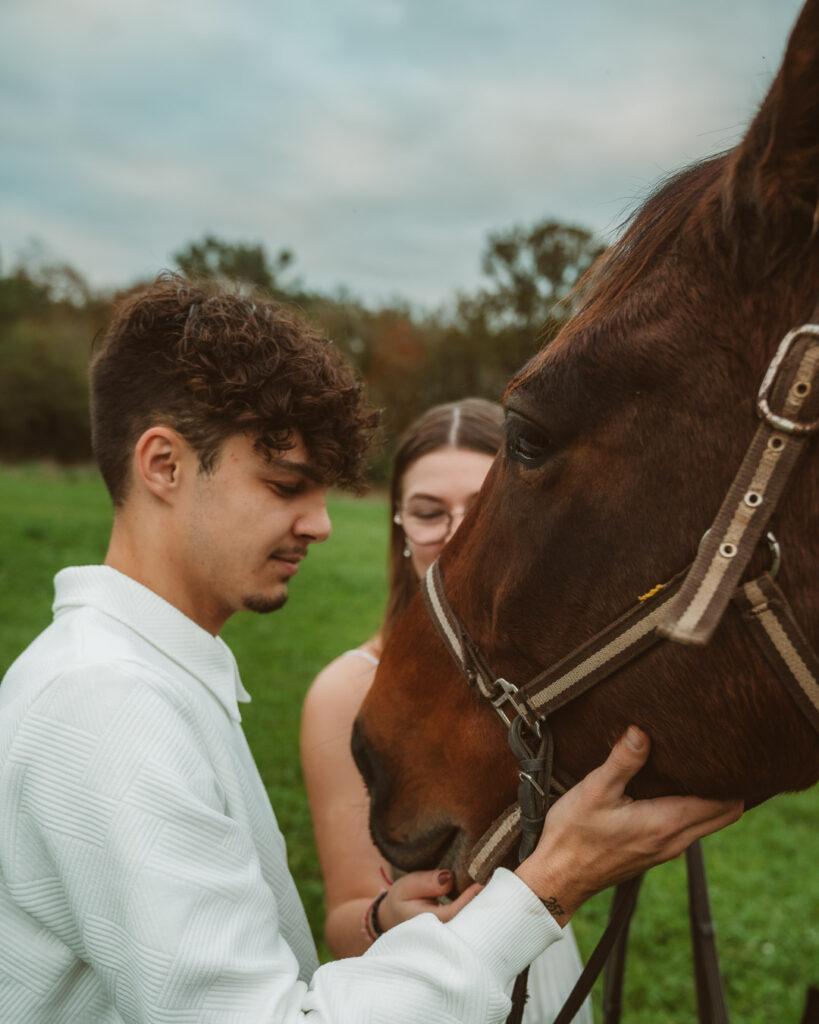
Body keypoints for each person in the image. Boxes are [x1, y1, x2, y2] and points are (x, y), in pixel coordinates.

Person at [0, 272, 742, 1024]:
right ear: (164, 465)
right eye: (285, 484)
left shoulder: (145, 677)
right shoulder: (105, 702)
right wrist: (551, 880)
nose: (320, 524)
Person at [301, 399, 592, 1023]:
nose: (458, 533)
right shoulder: (347, 689)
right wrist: (383, 917)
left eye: (484, 510)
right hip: (419, 989)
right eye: (430, 512)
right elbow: (344, 921)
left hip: (545, 960)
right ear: (400, 526)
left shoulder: (553, 683)